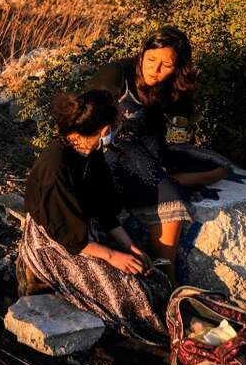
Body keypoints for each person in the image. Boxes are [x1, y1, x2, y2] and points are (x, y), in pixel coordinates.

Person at [18, 89, 172, 344]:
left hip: (82, 231)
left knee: (146, 273)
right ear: (103, 130)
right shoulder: (56, 168)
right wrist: (112, 256)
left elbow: (104, 207)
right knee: (127, 291)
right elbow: (69, 237)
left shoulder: (89, 154)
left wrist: (129, 246)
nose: (116, 129)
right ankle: (154, 336)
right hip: (54, 242)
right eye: (114, 124)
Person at [87, 27, 228, 283]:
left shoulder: (174, 86)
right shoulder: (117, 74)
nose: (155, 70)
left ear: (178, 67)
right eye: (151, 60)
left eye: (166, 64)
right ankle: (168, 277)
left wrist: (180, 128)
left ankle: (172, 177)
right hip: (112, 150)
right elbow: (87, 122)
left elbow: (181, 128)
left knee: (219, 167)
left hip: (151, 147)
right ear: (142, 54)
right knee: (170, 198)